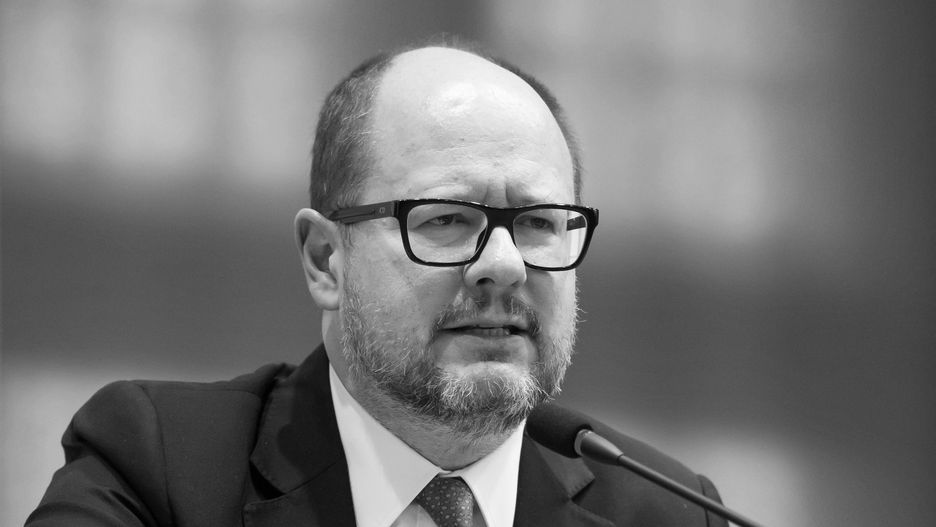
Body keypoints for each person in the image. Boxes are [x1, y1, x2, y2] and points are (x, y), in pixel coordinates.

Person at [27, 43, 727, 527]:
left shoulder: (669, 512)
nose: (506, 264)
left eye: (540, 222)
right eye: (447, 219)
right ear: (325, 260)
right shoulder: (156, 465)